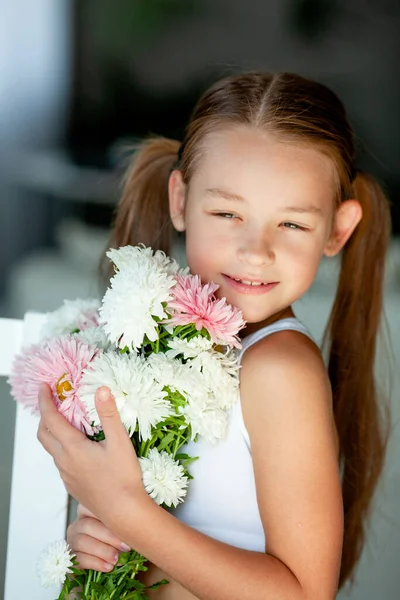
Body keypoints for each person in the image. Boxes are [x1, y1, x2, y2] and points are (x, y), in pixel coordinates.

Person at [37, 71, 391, 600]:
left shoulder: (279, 369)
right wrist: (112, 549)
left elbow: (302, 593)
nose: (256, 250)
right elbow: (182, 548)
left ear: (337, 230)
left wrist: (126, 513)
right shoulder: (174, 344)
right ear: (179, 200)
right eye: (227, 213)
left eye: (291, 224)